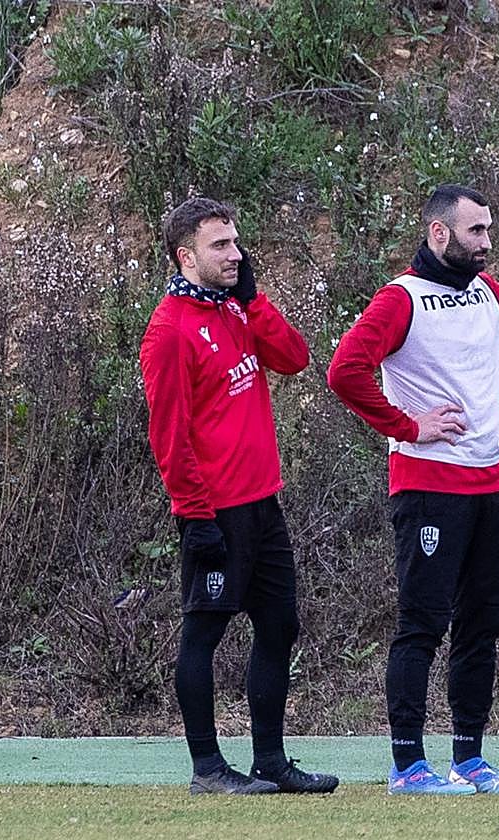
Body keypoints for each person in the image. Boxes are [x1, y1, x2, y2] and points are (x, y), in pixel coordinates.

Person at [328, 184, 499, 795]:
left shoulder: (488, 293)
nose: (486, 242)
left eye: (487, 229)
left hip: (490, 483)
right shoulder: (401, 300)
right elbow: (345, 370)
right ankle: (407, 766)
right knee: (422, 622)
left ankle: (470, 760)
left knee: (483, 622)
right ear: (438, 234)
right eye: (474, 231)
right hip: (427, 485)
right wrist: (408, 427)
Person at [140, 198, 338, 795]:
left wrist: (253, 300)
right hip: (215, 513)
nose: (235, 254)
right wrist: (194, 517)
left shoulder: (235, 309)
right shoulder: (170, 330)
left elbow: (296, 359)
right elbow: (168, 435)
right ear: (186, 256)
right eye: (220, 246)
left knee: (280, 627)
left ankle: (270, 761)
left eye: (236, 242)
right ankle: (207, 768)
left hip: (263, 505)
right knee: (204, 633)